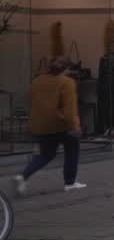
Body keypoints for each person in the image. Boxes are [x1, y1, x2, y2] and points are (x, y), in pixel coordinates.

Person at [13, 57, 86, 193]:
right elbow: (70, 108)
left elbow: (31, 101)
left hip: (42, 125)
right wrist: (75, 126)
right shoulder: (67, 82)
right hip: (62, 125)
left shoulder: (37, 81)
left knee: (46, 155)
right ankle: (70, 183)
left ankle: (22, 176)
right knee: (72, 151)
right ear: (66, 69)